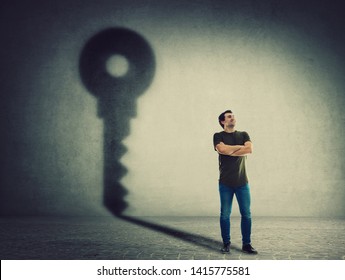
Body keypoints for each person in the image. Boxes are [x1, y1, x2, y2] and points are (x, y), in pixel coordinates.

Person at [213, 110, 257, 254]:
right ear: (222, 121)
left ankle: (247, 244)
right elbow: (221, 149)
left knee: (247, 214)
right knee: (225, 214)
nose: (233, 118)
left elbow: (249, 149)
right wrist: (239, 148)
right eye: (229, 117)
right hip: (225, 183)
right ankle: (226, 243)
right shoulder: (218, 136)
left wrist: (229, 150)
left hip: (242, 182)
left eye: (233, 116)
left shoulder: (243, 134)